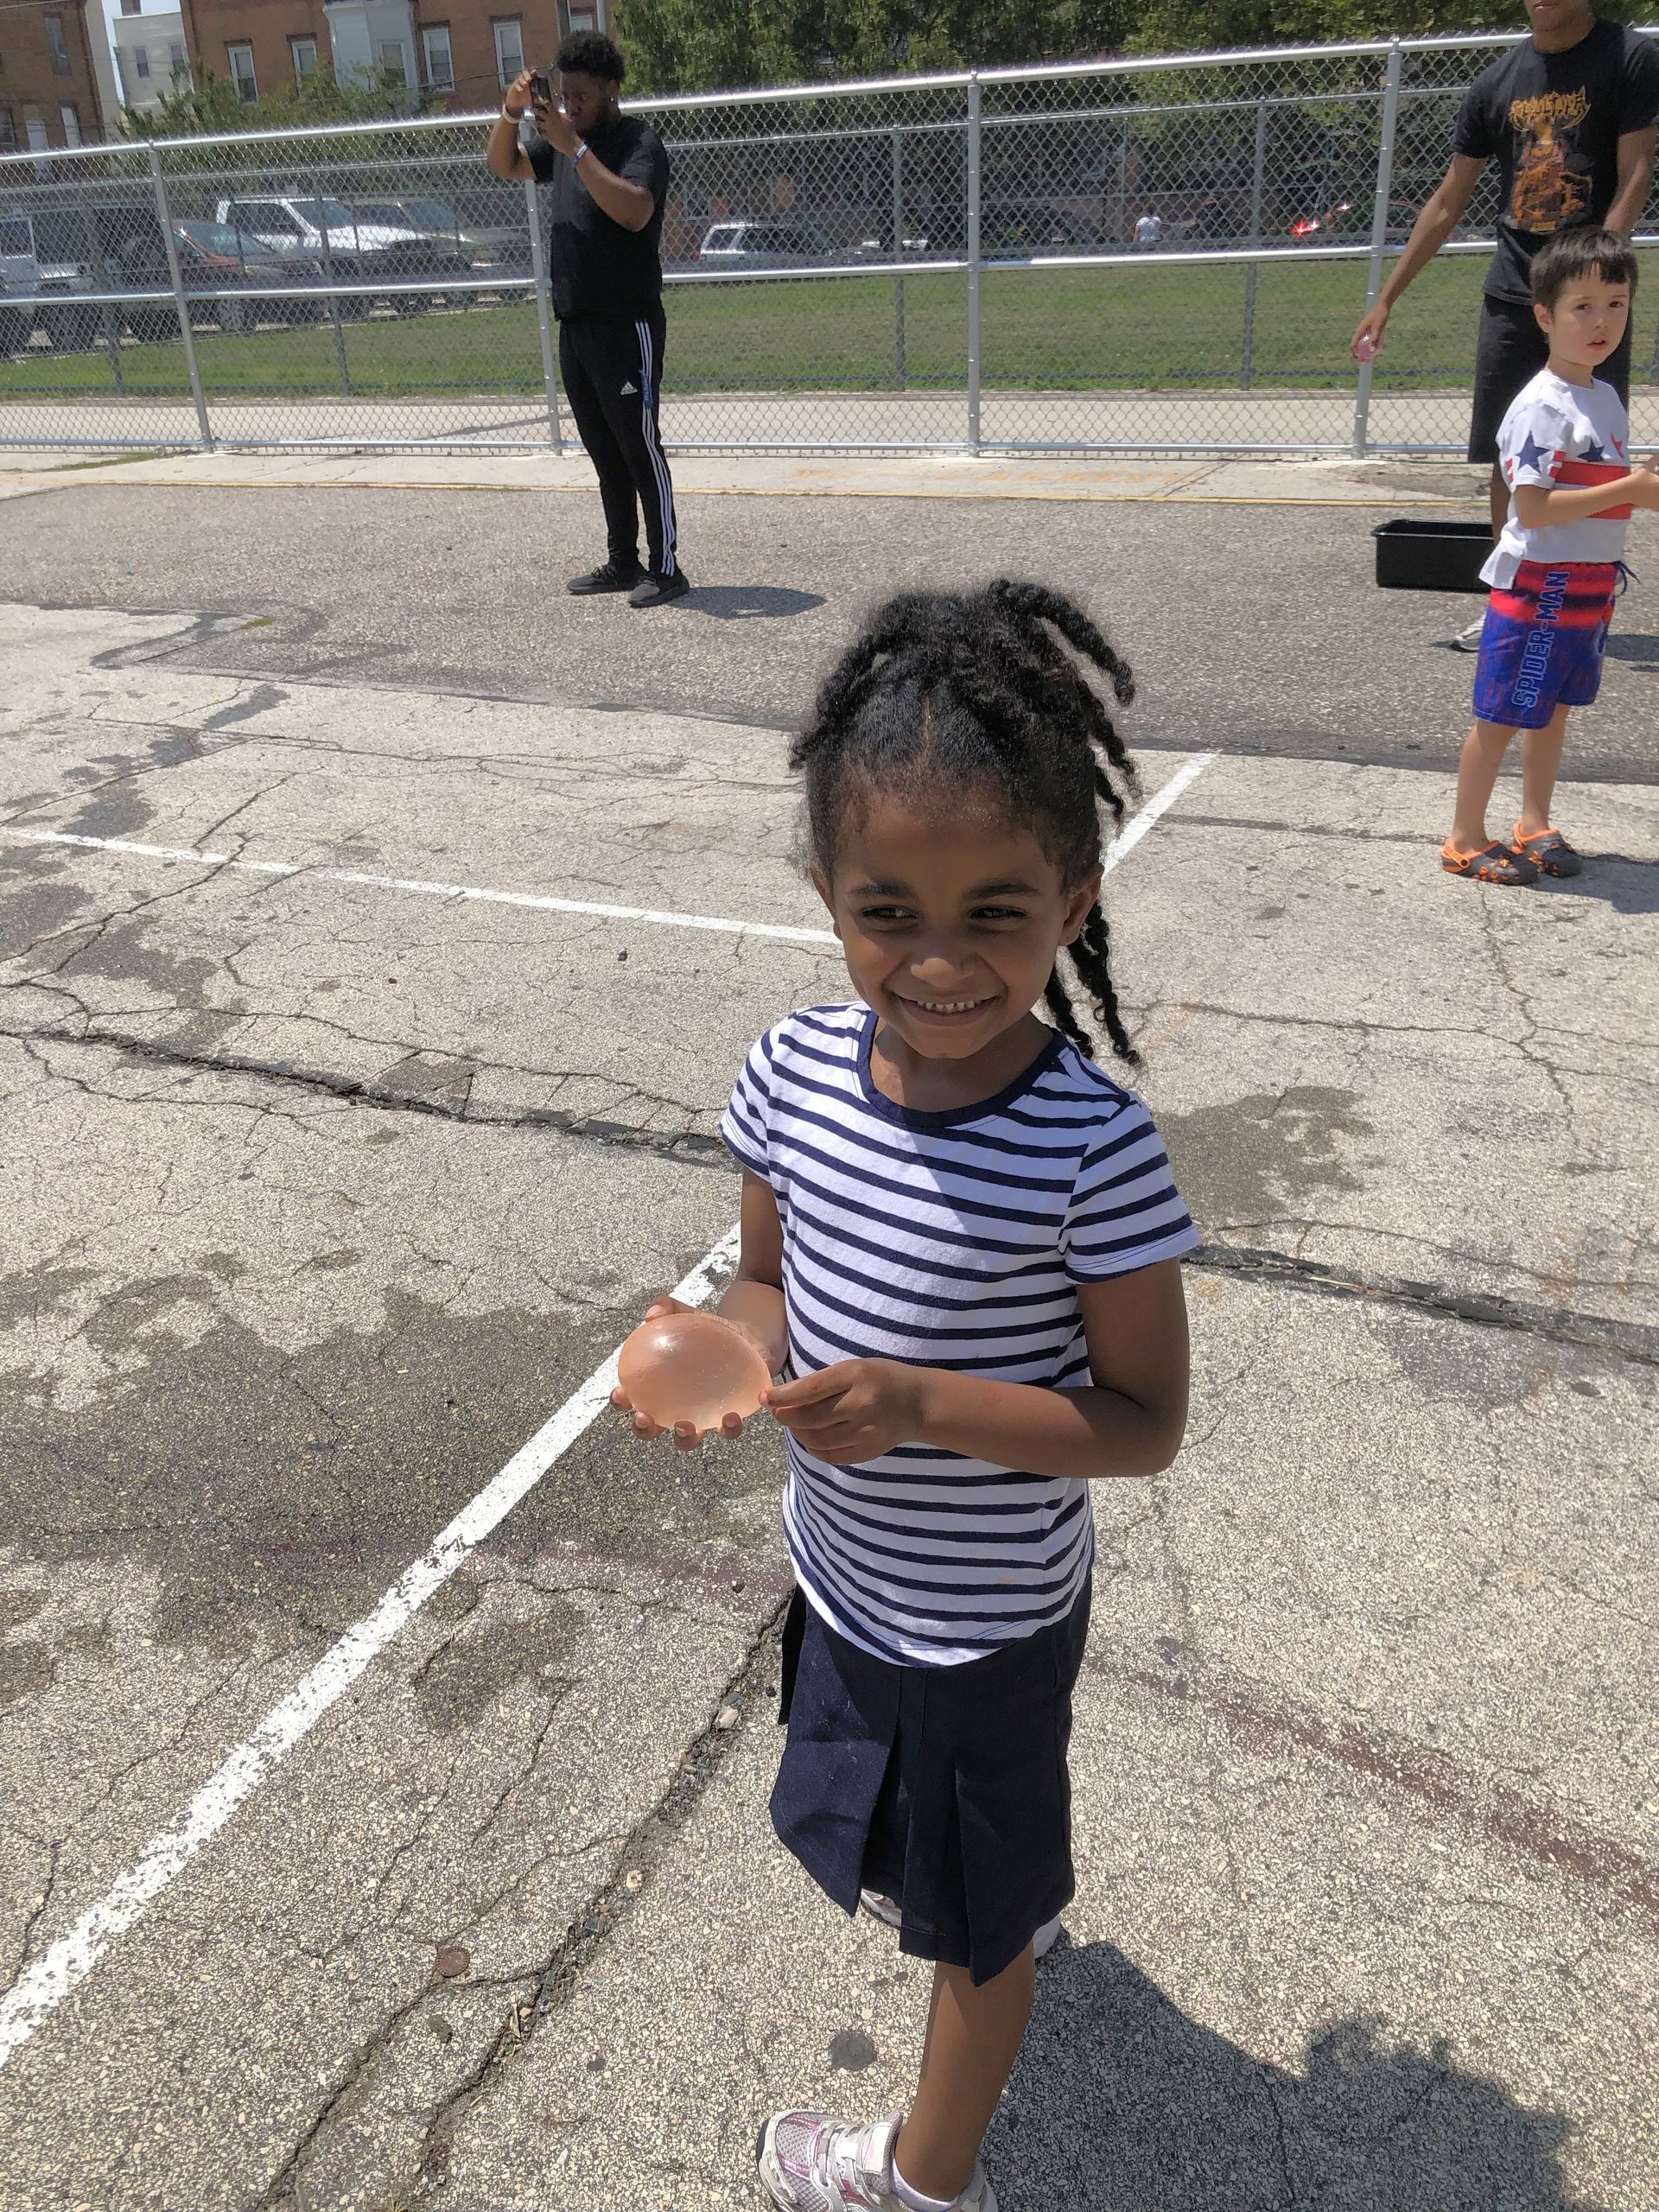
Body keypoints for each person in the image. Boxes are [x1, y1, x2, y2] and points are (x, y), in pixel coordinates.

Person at [612, 582, 1196, 2212]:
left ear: (1077, 901)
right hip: (852, 1575)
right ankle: (1003, 1891)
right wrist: (724, 1357)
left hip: (984, 1621)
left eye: (997, 913)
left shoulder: (1092, 1148)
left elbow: (1143, 1426)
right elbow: (764, 1279)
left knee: (972, 1941)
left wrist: (925, 1405)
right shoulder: (789, 1074)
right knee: (946, 1848)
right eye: (888, 913)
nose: (939, 964)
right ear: (825, 891)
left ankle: (922, 2181)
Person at [1349, 0, 1657, 646]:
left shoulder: (1628, 57)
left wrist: (1602, 268)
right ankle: (1510, 603)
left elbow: (1636, 171)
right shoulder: (1496, 83)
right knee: (1510, 456)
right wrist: (1387, 296)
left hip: (1587, 296)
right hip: (1516, 293)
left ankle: (1583, 595)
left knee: (1591, 450)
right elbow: (1446, 199)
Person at [1442, 227, 1659, 884]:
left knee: (1554, 708)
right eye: (1583, 306)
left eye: (1616, 304)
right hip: (1541, 585)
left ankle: (1533, 822)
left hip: (1590, 584)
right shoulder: (1542, 405)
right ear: (1545, 315)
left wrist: (1635, 486)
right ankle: (1463, 837)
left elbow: (1601, 492)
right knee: (1502, 713)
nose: (1601, 321)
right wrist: (1634, 490)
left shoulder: (1603, 396)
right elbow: (1530, 510)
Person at [486, 32, 687, 607]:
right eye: (563, 93)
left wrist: (575, 148)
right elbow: (505, 165)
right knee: (604, 451)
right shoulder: (566, 144)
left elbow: (634, 210)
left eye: (581, 95)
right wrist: (511, 112)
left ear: (611, 91)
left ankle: (667, 566)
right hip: (576, 326)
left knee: (639, 446)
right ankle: (623, 562)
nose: (569, 104)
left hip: (628, 324)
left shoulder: (635, 142)